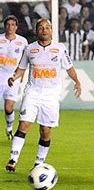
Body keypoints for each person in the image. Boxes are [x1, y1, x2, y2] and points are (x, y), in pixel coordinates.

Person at [5, 19, 81, 172]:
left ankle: (39, 163)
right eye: (41, 28)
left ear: (51, 30)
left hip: (51, 95)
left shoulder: (59, 48)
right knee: (24, 124)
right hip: (32, 92)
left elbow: (69, 67)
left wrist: (77, 81)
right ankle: (13, 159)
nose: (44, 30)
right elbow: (21, 68)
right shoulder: (29, 49)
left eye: (47, 27)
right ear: (36, 31)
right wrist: (14, 77)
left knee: (45, 130)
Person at [0, 16, 27, 139]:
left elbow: (25, 60)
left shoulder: (22, 41)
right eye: (8, 24)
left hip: (13, 77)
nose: (10, 27)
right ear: (5, 26)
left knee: (8, 106)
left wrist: (21, 74)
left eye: (13, 25)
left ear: (16, 27)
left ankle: (9, 127)